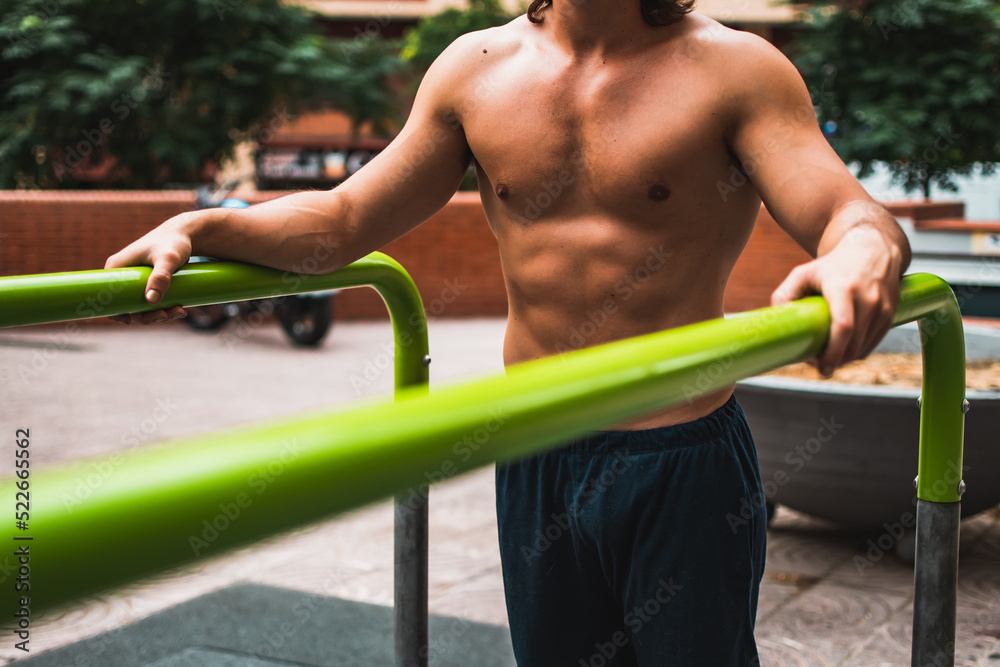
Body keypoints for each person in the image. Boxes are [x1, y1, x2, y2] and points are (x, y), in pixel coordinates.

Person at [106, 1, 911, 664]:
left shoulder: (739, 69)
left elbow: (847, 211)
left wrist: (862, 254)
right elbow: (346, 218)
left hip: (677, 458)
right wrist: (207, 225)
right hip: (535, 449)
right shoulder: (474, 69)